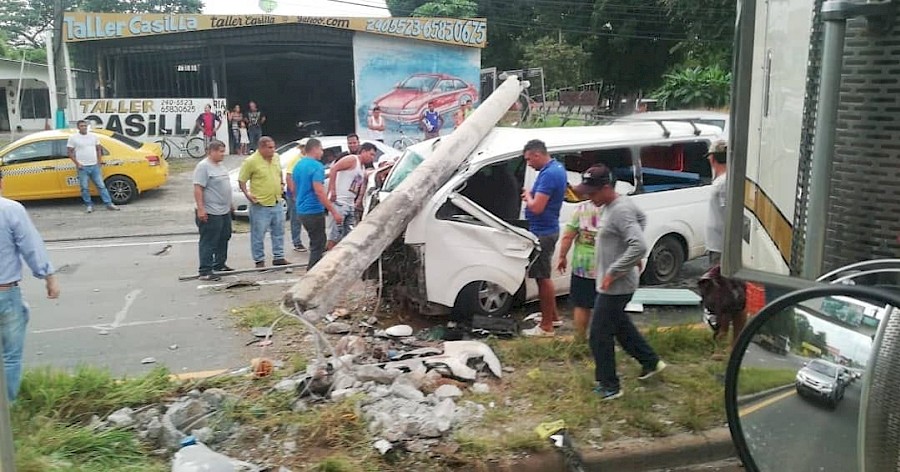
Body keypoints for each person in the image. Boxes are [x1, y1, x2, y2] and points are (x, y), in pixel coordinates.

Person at [574, 164, 666, 401]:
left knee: (598, 335)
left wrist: (616, 270)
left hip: (616, 285)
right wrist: (627, 257)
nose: (588, 197)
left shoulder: (620, 210)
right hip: (612, 281)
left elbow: (639, 244)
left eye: (592, 192)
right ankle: (651, 362)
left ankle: (610, 386)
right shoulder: (612, 204)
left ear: (606, 188)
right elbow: (642, 219)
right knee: (621, 327)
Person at [0, 169, 60, 402]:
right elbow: (31, 246)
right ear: (2, 183)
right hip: (5, 292)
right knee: (10, 357)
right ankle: (7, 411)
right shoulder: (10, 210)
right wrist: (49, 278)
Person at [704, 140, 747, 355]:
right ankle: (724, 337)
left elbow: (729, 215)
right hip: (720, 245)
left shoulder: (724, 183)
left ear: (712, 158)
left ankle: (731, 342)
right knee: (724, 295)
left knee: (731, 296)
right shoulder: (724, 181)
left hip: (724, 248)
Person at [520, 139, 566, 337]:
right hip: (547, 228)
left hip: (542, 232)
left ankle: (546, 327)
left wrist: (527, 196)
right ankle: (553, 317)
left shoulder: (548, 175)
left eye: (529, 159)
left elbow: (537, 207)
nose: (529, 164)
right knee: (543, 276)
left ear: (537, 154)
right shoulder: (556, 168)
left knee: (542, 278)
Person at [237, 137, 290, 268]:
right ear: (261, 148)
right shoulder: (251, 161)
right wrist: (247, 194)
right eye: (270, 148)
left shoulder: (276, 157)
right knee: (258, 233)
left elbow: (279, 172)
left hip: (276, 200)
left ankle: (279, 257)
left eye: (273, 147)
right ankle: (259, 260)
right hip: (260, 204)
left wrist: (281, 182)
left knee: (278, 231)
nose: (273, 150)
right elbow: (242, 179)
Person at [292, 138, 344, 269]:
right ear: (315, 149)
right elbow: (319, 192)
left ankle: (313, 270)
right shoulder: (317, 166)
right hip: (313, 210)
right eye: (321, 149)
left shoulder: (298, 165)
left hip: (301, 209)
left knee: (315, 242)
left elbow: (297, 186)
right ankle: (312, 273)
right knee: (318, 244)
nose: (322, 153)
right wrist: (334, 211)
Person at [556, 200, 602, 341]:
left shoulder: (582, 209)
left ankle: (580, 339)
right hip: (606, 265)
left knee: (582, 304)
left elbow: (568, 236)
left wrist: (562, 257)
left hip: (583, 265)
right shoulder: (614, 208)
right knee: (605, 305)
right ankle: (602, 338)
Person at [193, 140, 234, 281]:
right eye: (220, 151)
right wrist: (201, 209)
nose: (223, 154)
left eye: (224, 151)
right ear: (211, 152)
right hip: (210, 211)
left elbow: (225, 186)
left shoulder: (220, 166)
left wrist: (230, 203)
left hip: (223, 210)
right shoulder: (203, 167)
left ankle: (219, 264)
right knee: (209, 240)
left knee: (224, 236)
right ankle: (205, 270)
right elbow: (198, 188)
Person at [327, 142, 377, 249]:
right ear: (363, 151)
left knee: (347, 235)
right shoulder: (352, 160)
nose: (372, 158)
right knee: (335, 235)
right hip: (339, 201)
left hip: (349, 203)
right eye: (371, 154)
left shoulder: (362, 168)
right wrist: (332, 189)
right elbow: (334, 169)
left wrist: (357, 201)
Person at [67, 120, 119, 213]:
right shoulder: (73, 138)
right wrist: (77, 163)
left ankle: (109, 204)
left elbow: (99, 149)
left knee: (101, 186)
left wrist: (99, 161)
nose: (84, 127)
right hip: (82, 167)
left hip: (94, 165)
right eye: (82, 126)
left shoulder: (93, 136)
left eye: (85, 126)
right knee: (84, 187)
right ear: (78, 127)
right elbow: (69, 152)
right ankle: (89, 205)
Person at [285, 143, 307, 253]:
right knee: (296, 219)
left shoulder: (307, 159)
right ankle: (297, 242)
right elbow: (288, 176)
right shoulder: (296, 160)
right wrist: (294, 193)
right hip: (295, 194)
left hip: (304, 193)